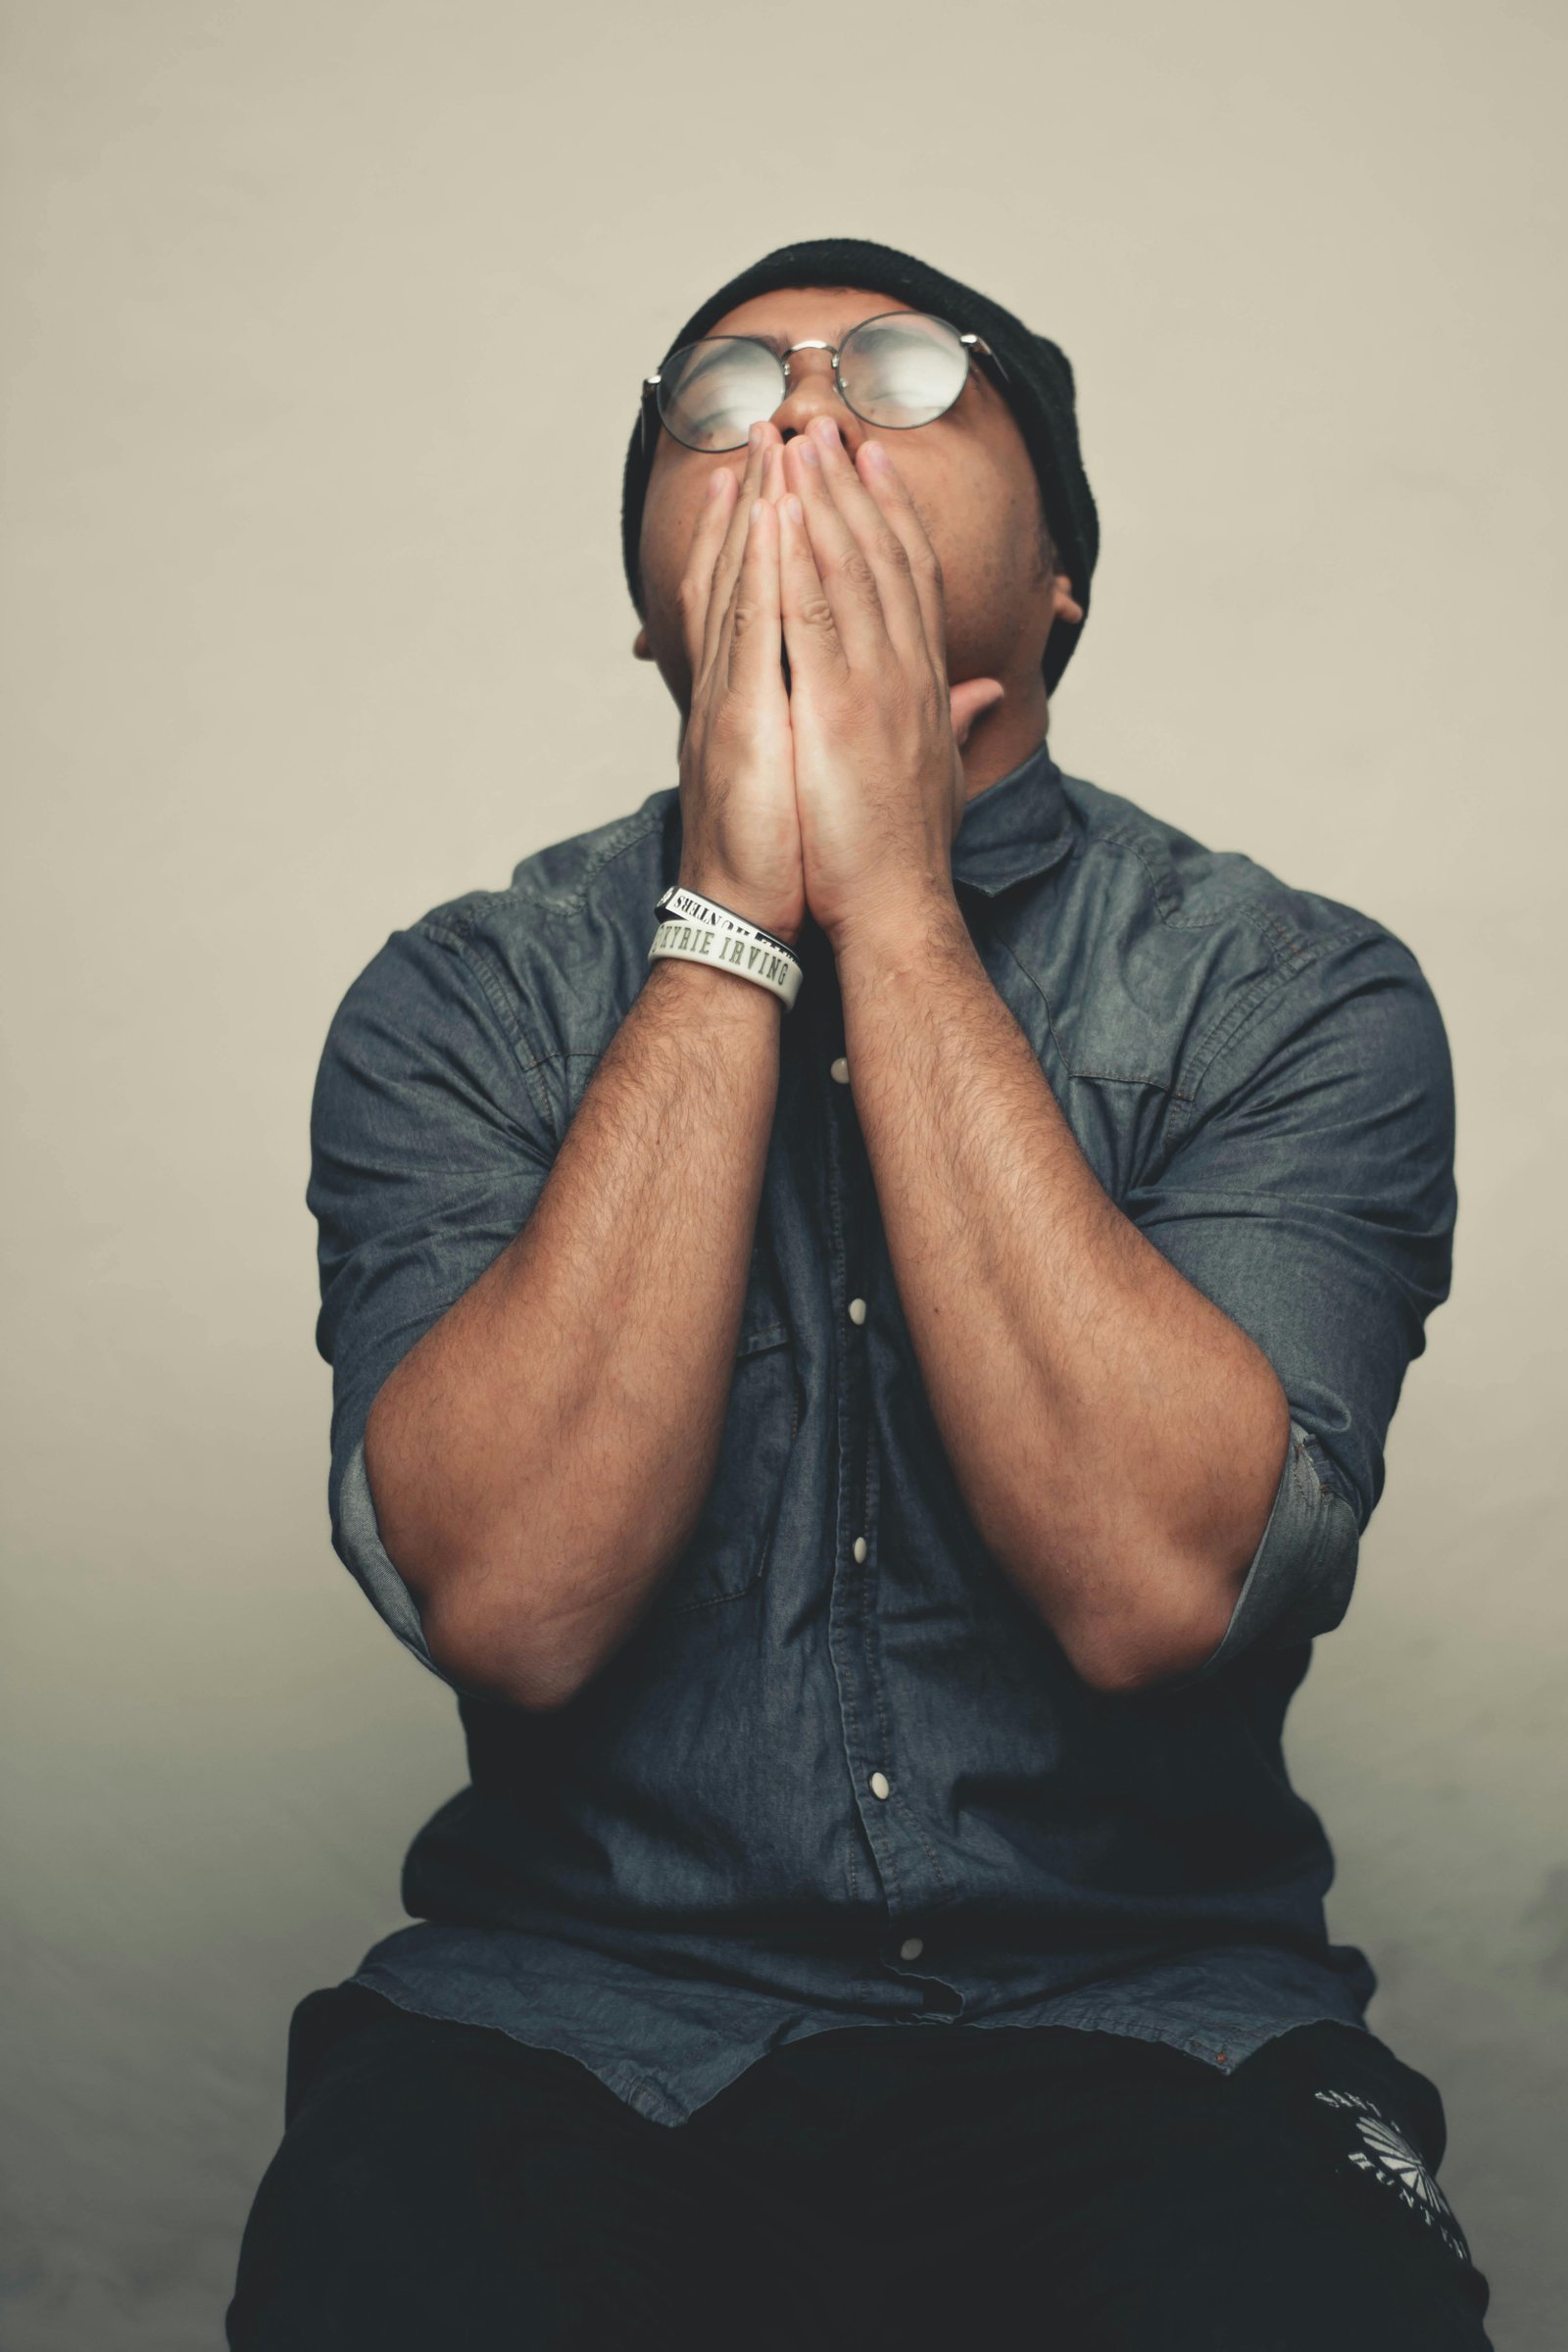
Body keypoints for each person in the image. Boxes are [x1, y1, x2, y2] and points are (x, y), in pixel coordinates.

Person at [226, 236, 1494, 2348]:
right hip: (570, 2036)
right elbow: (516, 1599)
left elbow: (1152, 1579)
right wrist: (732, 905)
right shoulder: (461, 1002)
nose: (799, 418)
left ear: (1064, 576)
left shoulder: (1289, 996)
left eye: (901, 378)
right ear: (650, 607)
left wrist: (889, 898)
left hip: (1155, 2038)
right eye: (713, 405)